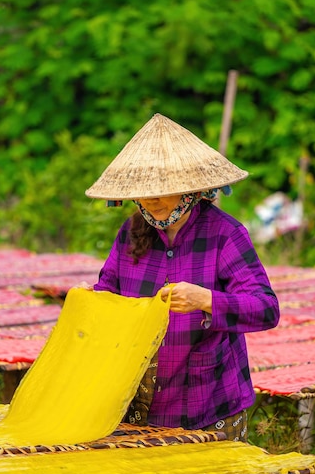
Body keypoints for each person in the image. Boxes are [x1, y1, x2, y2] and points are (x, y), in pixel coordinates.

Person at [83, 113, 280, 442]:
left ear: (190, 190)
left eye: (164, 190)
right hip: (138, 400)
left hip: (207, 403)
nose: (152, 200)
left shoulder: (225, 234)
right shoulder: (131, 232)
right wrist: (91, 301)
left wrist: (206, 300)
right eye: (144, 192)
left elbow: (265, 308)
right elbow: (108, 294)